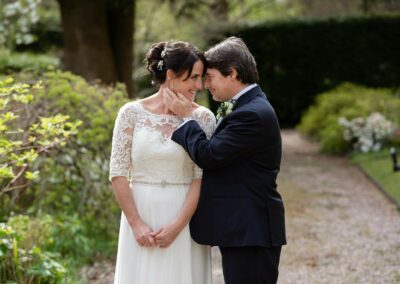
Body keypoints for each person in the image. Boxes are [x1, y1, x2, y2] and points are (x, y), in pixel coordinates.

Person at [164, 36, 287, 284]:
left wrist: (188, 117)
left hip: (251, 230)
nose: (205, 84)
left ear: (232, 73)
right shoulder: (246, 107)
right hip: (243, 228)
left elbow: (209, 155)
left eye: (210, 76)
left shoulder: (251, 114)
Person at [109, 40, 215, 284]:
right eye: (193, 78)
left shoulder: (203, 118)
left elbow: (202, 177)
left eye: (201, 78)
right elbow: (118, 173)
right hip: (140, 212)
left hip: (184, 216)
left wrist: (179, 224)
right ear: (171, 75)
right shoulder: (130, 113)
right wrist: (136, 224)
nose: (199, 86)